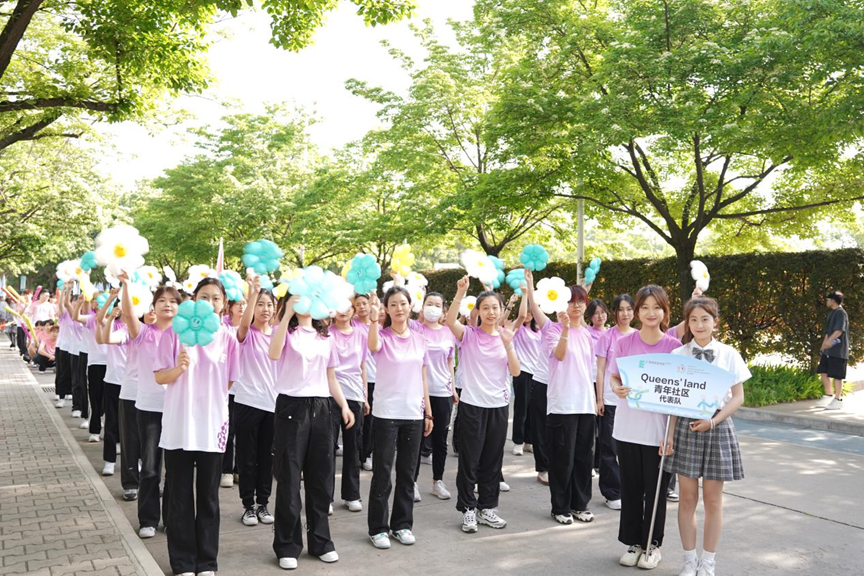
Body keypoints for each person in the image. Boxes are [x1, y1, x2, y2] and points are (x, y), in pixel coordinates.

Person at [154, 277, 240, 576]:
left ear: (224, 304)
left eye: (216, 298)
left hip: (212, 427)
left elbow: (228, 382)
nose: (210, 303)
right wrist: (178, 368)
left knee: (208, 497)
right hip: (179, 424)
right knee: (179, 496)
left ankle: (206, 562)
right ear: (193, 299)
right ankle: (182, 563)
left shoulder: (228, 338)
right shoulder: (173, 333)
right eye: (204, 297)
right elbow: (159, 377)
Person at [662, 296, 749, 576]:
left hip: (717, 426)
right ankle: (689, 561)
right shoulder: (678, 354)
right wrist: (669, 435)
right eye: (694, 320)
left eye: (705, 319)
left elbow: (738, 397)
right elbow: (673, 400)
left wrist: (712, 422)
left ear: (715, 322)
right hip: (687, 427)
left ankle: (708, 562)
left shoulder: (728, 354)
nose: (699, 325)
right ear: (687, 323)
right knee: (687, 499)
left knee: (713, 500)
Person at [268, 292, 355, 569]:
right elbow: (273, 353)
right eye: (298, 298)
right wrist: (287, 315)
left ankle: (321, 541)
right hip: (291, 406)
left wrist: (343, 405)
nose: (304, 303)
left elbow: (331, 376)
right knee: (290, 478)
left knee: (320, 478)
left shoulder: (325, 336)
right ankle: (287, 545)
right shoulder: (285, 330)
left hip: (322, 406)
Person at [609, 284, 682, 570]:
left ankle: (652, 545)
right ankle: (633, 543)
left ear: (665, 311)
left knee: (655, 492)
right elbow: (614, 376)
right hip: (627, 429)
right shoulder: (624, 343)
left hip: (658, 433)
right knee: (630, 489)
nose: (651, 313)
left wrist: (671, 435)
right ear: (637, 311)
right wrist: (616, 388)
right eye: (645, 307)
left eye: (657, 307)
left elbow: (678, 397)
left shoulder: (674, 348)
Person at [446, 277, 520, 534]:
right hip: (472, 406)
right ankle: (468, 508)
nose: (491, 312)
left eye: (495, 307)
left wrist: (508, 345)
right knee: (470, 460)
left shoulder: (506, 336)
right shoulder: (468, 335)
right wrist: (460, 292)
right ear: (478, 311)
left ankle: (487, 507)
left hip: (498, 406)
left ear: (501, 310)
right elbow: (450, 321)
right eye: (485, 308)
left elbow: (516, 371)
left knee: (493, 460)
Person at [366, 287, 433, 549]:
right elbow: (372, 346)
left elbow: (423, 377)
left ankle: (402, 525)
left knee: (407, 474)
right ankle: (378, 529)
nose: (399, 308)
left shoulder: (420, 339)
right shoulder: (381, 336)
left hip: (413, 415)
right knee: (382, 473)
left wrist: (428, 412)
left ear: (410, 305)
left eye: (403, 303)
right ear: (387, 308)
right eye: (393, 304)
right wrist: (374, 319)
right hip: (386, 414)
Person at [119, 273, 181, 539]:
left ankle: (172, 519)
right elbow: (128, 314)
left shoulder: (185, 336)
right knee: (151, 467)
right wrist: (125, 285)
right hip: (149, 410)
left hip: (177, 409)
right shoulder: (143, 333)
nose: (167, 304)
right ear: (153, 306)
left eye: (173, 301)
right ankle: (148, 519)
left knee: (176, 470)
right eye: (162, 300)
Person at [545, 285, 596, 525]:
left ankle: (579, 504)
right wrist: (565, 329)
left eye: (581, 301)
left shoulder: (587, 333)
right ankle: (560, 507)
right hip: (562, 404)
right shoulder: (553, 330)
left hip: (585, 404)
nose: (576, 306)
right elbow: (560, 355)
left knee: (583, 458)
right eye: (572, 301)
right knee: (562, 458)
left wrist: (597, 400)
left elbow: (591, 370)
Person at [233, 278, 278, 527]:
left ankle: (263, 503)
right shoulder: (246, 334)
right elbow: (243, 323)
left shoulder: (280, 335)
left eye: (269, 304)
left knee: (267, 458)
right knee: (247, 458)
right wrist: (253, 294)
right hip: (247, 403)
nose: (265, 309)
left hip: (273, 405)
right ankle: (248, 506)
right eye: (260, 304)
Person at [412, 292, 459, 501]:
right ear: (422, 307)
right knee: (417, 438)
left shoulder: (449, 332)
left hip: (442, 391)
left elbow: (450, 362)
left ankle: (437, 481)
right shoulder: (415, 328)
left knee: (440, 439)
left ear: (443, 309)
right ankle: (412, 482)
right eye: (429, 304)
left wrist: (453, 388)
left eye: (437, 305)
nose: (433, 308)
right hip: (418, 391)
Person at [595, 294, 635, 511]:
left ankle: (630, 490)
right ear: (615, 312)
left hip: (633, 402)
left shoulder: (638, 336)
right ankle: (611, 493)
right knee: (609, 448)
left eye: (629, 309)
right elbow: (601, 369)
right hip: (611, 401)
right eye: (621, 309)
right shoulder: (607, 336)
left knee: (630, 449)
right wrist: (599, 398)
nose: (625, 314)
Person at [329, 299, 368, 513]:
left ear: (353, 310)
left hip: (354, 395)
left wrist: (365, 396)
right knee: (327, 448)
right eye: (338, 306)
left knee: (353, 447)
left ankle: (352, 495)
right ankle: (325, 496)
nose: (343, 311)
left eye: (347, 307)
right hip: (330, 395)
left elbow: (362, 366)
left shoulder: (361, 334)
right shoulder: (326, 333)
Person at [221, 298, 246, 488]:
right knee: (228, 431)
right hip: (228, 388)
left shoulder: (250, 329)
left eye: (245, 303)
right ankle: (226, 470)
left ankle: (239, 469)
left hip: (245, 389)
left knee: (242, 431)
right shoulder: (224, 327)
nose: (242, 307)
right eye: (238, 303)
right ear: (230, 306)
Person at [818, 291, 848, 411]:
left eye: (828, 299)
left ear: (833, 301)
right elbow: (828, 331)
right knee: (823, 371)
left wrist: (829, 341)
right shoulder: (831, 313)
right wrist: (824, 345)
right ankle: (828, 395)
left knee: (837, 376)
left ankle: (838, 400)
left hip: (838, 350)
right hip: (828, 351)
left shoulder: (841, 313)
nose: (826, 301)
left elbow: (839, 331)